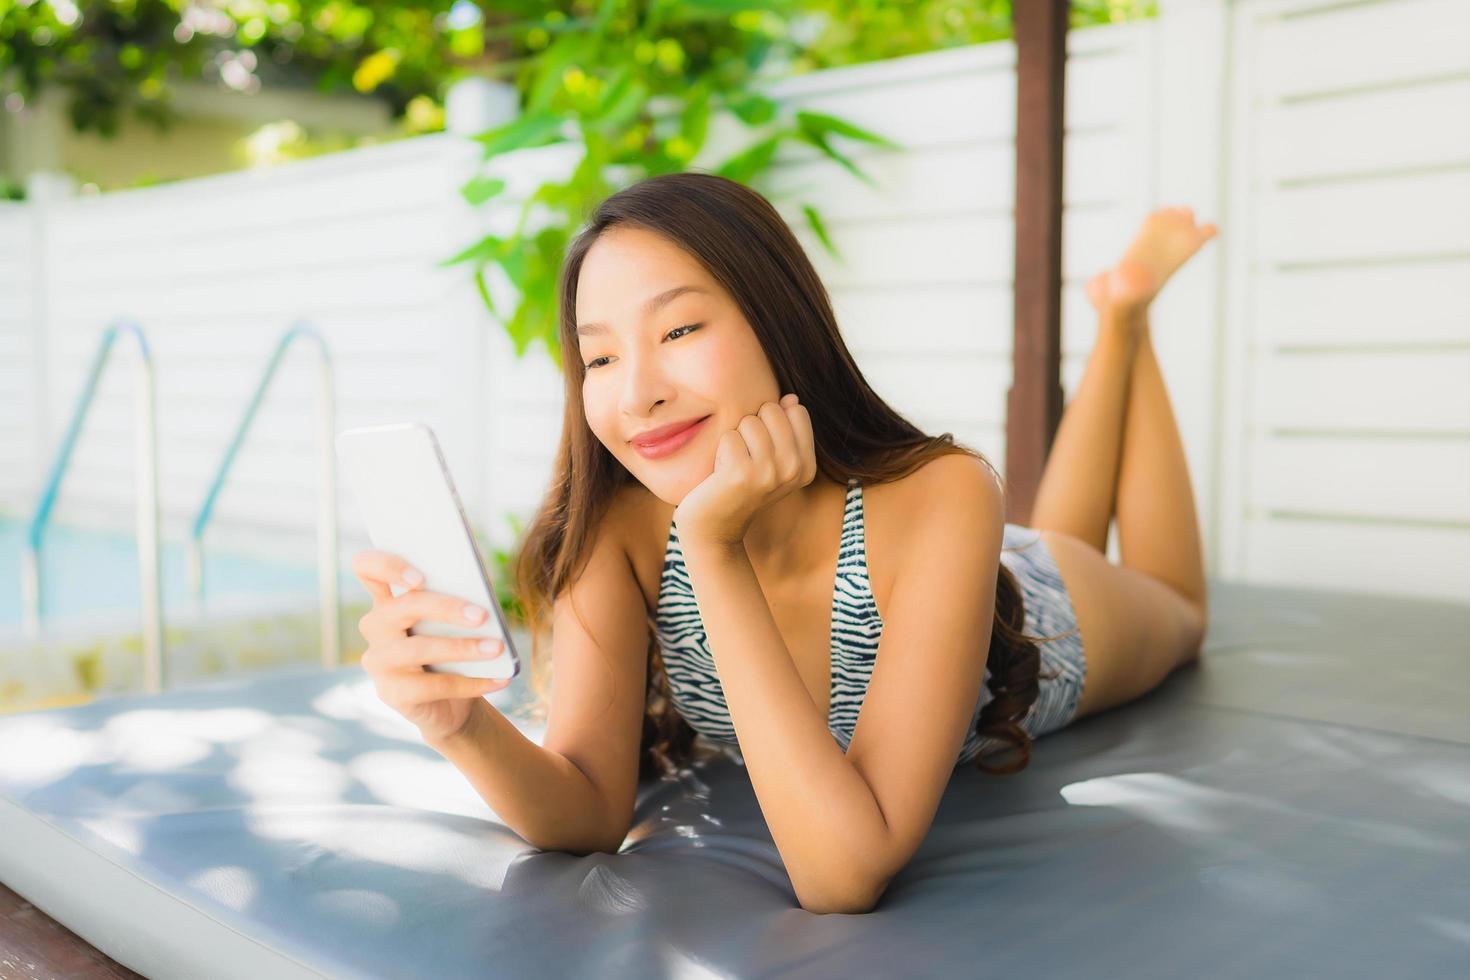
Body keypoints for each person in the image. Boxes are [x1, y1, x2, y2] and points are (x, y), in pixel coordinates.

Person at [350, 172, 1216, 914]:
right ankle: (1121, 314)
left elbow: (843, 871)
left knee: (1175, 607)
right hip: (946, 563)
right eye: (601, 359)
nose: (638, 393)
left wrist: (714, 549)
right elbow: (586, 806)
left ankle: (1126, 322)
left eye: (680, 331)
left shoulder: (946, 490)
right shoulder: (614, 523)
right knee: (1062, 523)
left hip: (1043, 613)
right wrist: (459, 725)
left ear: (779, 321)